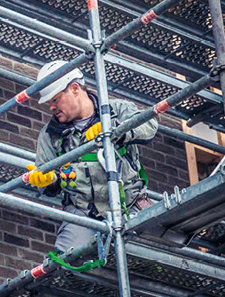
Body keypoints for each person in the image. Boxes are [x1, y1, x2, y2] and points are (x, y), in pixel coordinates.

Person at [24, 60, 158, 253]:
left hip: (129, 203)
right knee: (70, 262)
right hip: (82, 213)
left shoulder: (116, 110)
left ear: (75, 88)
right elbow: (49, 181)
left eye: (55, 100)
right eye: (49, 103)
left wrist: (115, 129)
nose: (51, 107)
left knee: (153, 257)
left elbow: (150, 126)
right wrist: (48, 180)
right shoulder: (49, 134)